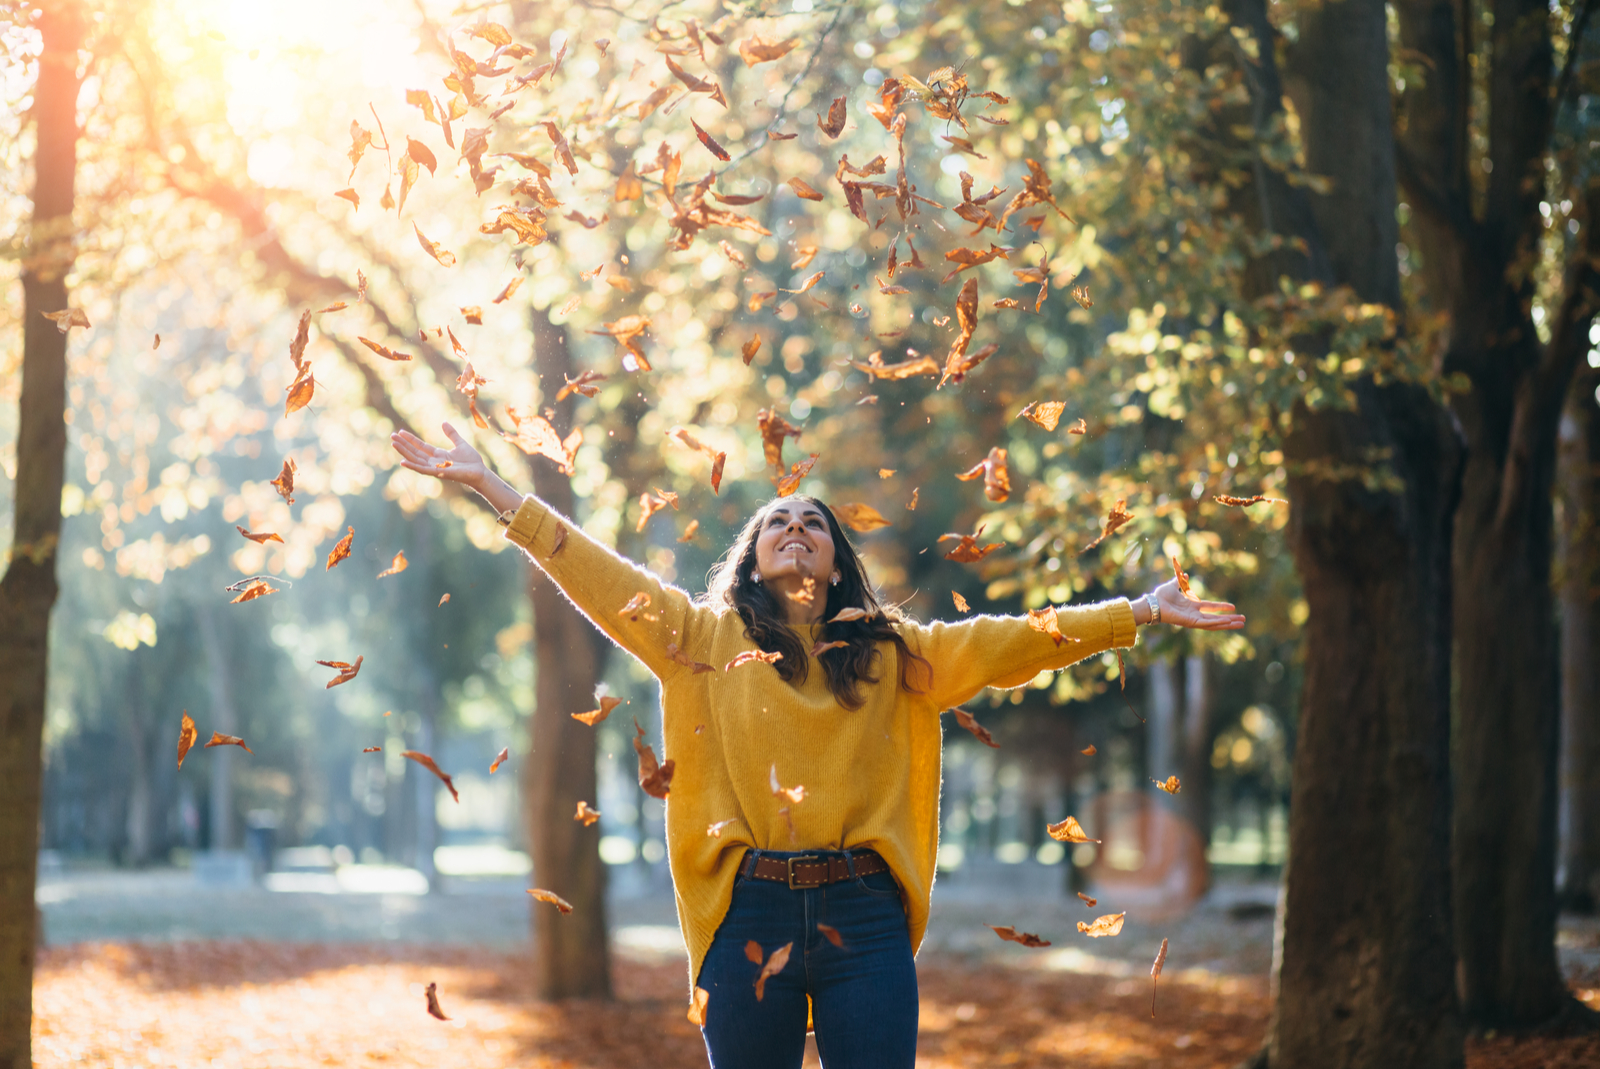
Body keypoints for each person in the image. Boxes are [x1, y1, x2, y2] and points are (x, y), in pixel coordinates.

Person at [391, 423, 1246, 1069]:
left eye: (813, 522)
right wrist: (494, 489)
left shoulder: (894, 651)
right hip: (746, 911)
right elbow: (597, 573)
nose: (794, 527)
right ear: (754, 560)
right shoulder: (698, 637)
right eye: (776, 522)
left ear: (835, 560)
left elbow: (1013, 637)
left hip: (864, 918)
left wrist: (1134, 612)